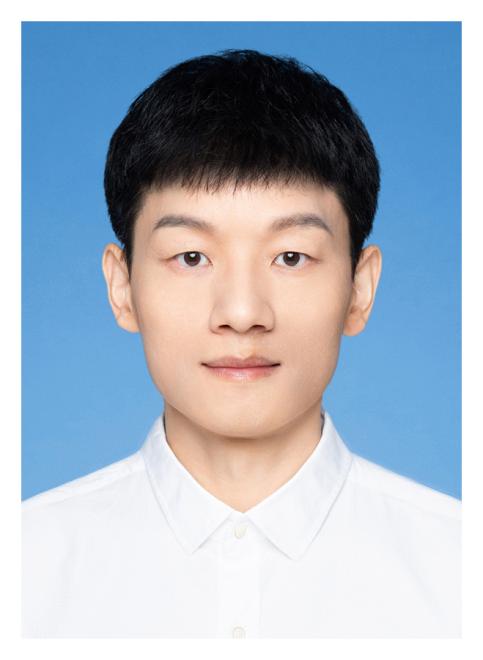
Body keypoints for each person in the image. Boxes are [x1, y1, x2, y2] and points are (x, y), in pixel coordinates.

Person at [22, 49, 460, 638]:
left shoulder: (459, 570)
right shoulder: (24, 570)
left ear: (360, 288)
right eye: (191, 257)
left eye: (291, 257)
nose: (242, 313)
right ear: (122, 287)